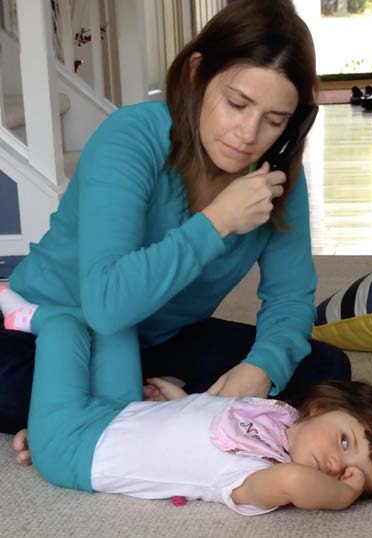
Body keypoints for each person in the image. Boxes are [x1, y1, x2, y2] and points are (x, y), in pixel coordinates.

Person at [0, 0, 351, 437]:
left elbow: (290, 299)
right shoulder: (130, 138)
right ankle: (119, 409)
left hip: (158, 339)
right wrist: (217, 220)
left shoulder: (277, 177)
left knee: (325, 367)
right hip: (52, 330)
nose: (248, 135)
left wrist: (259, 371)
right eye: (237, 104)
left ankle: (94, 413)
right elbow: (107, 308)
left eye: (274, 121)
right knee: (9, 387)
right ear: (196, 72)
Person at [8, 311, 372, 514]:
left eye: (352, 474)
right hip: (120, 410)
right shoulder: (276, 414)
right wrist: (175, 400)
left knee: (64, 327)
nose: (333, 464)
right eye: (345, 443)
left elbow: (293, 479)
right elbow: (207, 415)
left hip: (74, 448)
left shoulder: (260, 480)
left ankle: (22, 311)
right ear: (323, 407)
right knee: (113, 325)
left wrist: (343, 494)